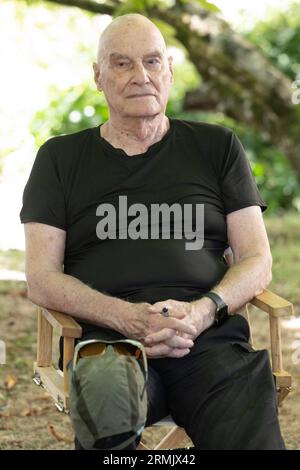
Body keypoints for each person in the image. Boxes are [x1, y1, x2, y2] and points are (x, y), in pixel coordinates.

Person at [20, 13, 285, 450]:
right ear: (98, 76)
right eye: (122, 63)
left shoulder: (217, 147)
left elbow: (257, 259)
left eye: (152, 61)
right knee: (108, 396)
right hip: (108, 341)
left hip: (207, 341)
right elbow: (41, 277)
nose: (140, 76)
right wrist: (128, 318)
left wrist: (202, 312)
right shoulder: (60, 159)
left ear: (170, 71)